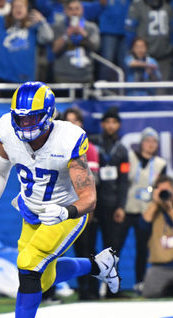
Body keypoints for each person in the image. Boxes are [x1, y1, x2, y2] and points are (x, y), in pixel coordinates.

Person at [0, 81, 120, 318]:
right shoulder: (7, 129)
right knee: (43, 279)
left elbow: (89, 197)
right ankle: (98, 265)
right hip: (31, 210)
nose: (25, 124)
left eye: (32, 117)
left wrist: (67, 212)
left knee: (28, 266)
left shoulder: (68, 139)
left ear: (49, 114)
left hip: (64, 213)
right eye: (21, 117)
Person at [117, 128, 166, 291]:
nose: (150, 144)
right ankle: (109, 283)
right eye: (147, 141)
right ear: (141, 143)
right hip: (127, 209)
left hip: (146, 212)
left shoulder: (160, 164)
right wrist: (120, 206)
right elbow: (121, 182)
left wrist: (152, 210)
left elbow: (161, 188)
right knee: (115, 247)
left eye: (154, 141)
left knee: (142, 248)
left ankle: (140, 282)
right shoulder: (129, 157)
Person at [90, 107, 130, 296]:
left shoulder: (121, 150)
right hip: (92, 204)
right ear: (102, 124)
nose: (111, 125)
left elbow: (124, 181)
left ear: (119, 125)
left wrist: (121, 206)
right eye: (108, 122)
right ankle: (89, 290)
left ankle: (112, 289)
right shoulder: (92, 145)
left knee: (112, 248)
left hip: (112, 204)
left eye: (114, 122)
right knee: (88, 246)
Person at [63, 107, 102, 300]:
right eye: (68, 121)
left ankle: (91, 290)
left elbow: (93, 180)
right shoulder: (57, 148)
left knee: (87, 248)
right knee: (66, 250)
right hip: (64, 207)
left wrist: (89, 207)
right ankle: (81, 288)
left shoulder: (90, 149)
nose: (72, 125)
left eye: (75, 121)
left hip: (82, 206)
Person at [51, 0, 100, 83]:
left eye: (77, 9)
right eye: (71, 9)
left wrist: (83, 34)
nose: (74, 12)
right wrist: (67, 34)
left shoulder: (91, 27)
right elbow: (54, 50)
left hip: (85, 76)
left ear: (82, 10)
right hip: (63, 77)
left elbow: (95, 47)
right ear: (65, 11)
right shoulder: (57, 27)